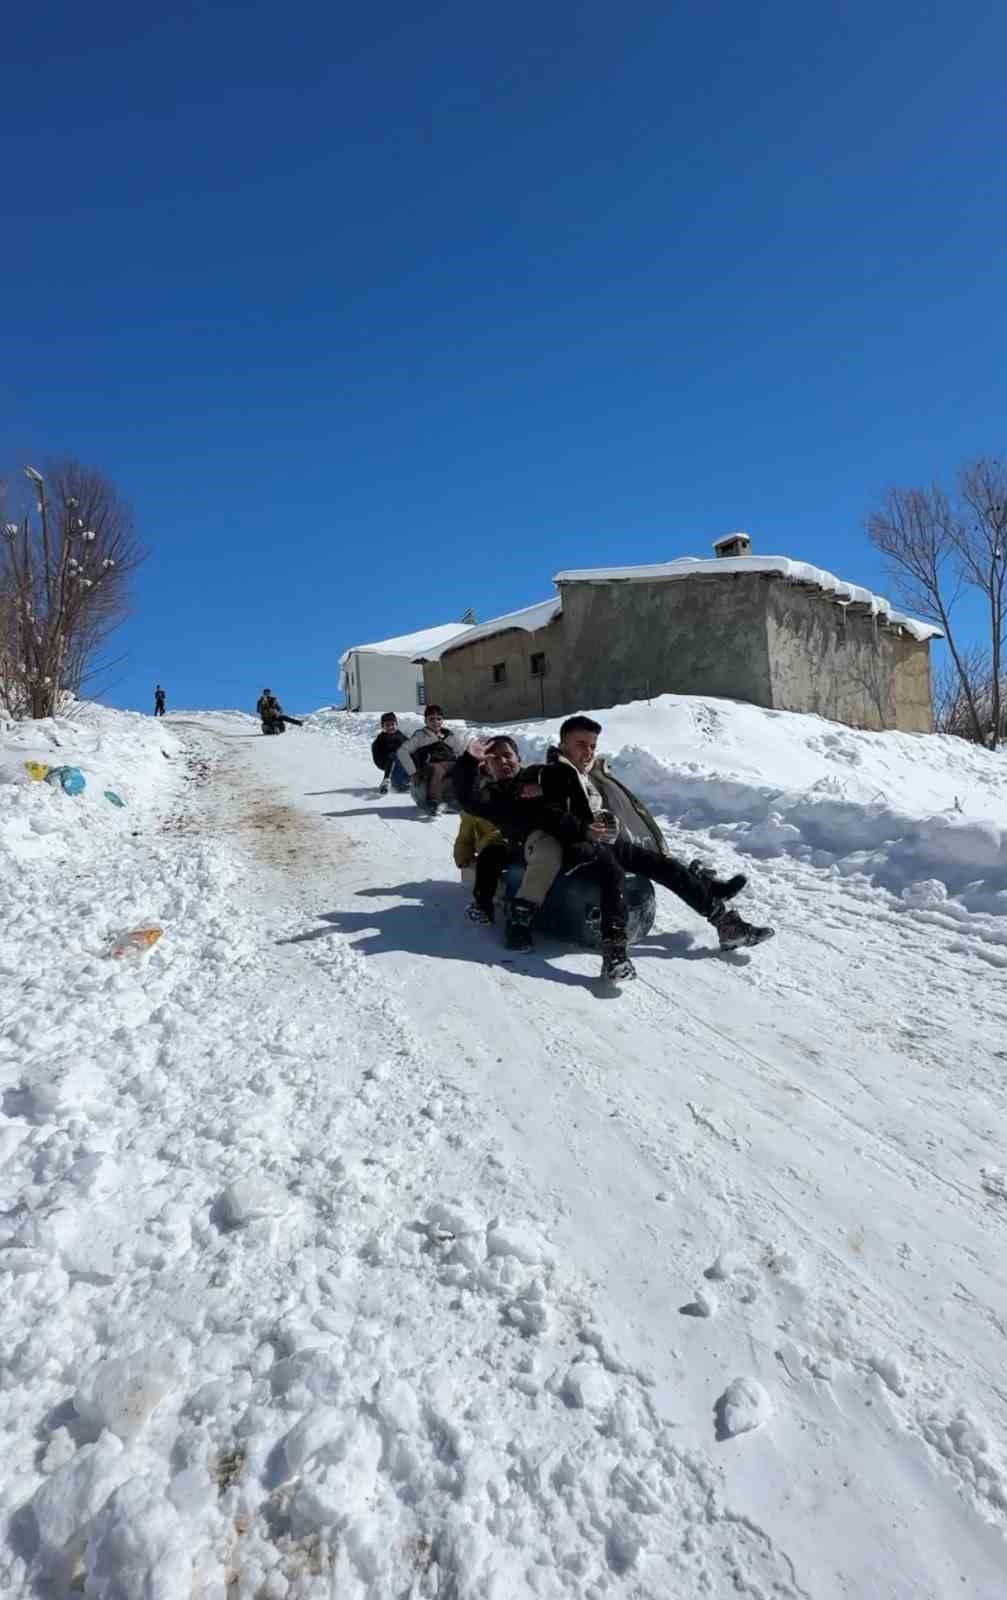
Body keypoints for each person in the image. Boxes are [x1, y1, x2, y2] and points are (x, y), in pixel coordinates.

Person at [454, 719, 772, 981]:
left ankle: (726, 924)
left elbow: (567, 782)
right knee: (610, 872)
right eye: (494, 758)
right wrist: (469, 760)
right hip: (560, 843)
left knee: (666, 866)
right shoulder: (494, 795)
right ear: (486, 767)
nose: (503, 761)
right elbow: (476, 800)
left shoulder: (540, 773)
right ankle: (614, 953)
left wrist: (572, 800)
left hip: (595, 836)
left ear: (519, 758)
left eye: (508, 755)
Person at [396, 705, 467, 815]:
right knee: (437, 768)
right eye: (431, 719)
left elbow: (460, 752)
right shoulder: (421, 736)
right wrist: (412, 773)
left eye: (439, 718)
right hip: (429, 767)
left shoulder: (448, 735)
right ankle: (433, 801)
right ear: (425, 720)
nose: (435, 722)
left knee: (467, 768)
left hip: (449, 765)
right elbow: (402, 752)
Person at [371, 712, 410, 793]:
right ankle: (386, 781)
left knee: (401, 788)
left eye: (392, 724)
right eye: (387, 725)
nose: (390, 727)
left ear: (396, 724)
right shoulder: (381, 739)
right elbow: (376, 753)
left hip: (402, 766)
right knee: (392, 756)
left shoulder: (401, 737)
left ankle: (407, 783)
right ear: (383, 727)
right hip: (387, 763)